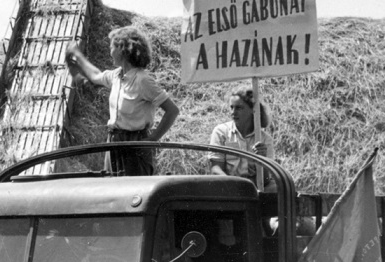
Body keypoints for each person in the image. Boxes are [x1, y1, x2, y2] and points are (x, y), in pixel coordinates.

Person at [65, 27, 180, 176]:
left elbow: (172, 111)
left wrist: (152, 139)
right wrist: (76, 56)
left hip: (135, 145)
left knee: (134, 191)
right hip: (114, 141)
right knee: (113, 189)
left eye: (112, 47)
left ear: (122, 49)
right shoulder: (117, 76)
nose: (110, 51)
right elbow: (95, 76)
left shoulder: (142, 80)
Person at [208, 85, 274, 181]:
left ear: (253, 110)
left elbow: (266, 178)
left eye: (239, 108)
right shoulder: (221, 132)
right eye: (231, 107)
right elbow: (215, 169)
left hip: (254, 190)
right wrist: (234, 186)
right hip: (227, 188)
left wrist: (263, 159)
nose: (233, 112)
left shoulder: (264, 140)